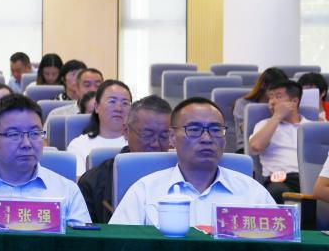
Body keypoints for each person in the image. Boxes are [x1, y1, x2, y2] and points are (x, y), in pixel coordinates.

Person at [110, 97, 275, 227]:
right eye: (194, 130)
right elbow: (117, 249)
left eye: (216, 130)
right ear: (172, 137)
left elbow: (276, 248)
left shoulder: (253, 194)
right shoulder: (145, 191)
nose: (206, 139)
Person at [0, 94, 90, 223]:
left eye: (35, 133)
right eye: (14, 135)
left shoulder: (67, 191)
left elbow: (81, 241)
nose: (26, 144)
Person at [77, 96, 173, 223]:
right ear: (126, 131)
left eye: (164, 136)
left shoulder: (184, 175)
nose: (156, 144)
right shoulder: (93, 182)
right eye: (147, 134)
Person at [248, 79, 303, 203]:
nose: (272, 102)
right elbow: (255, 147)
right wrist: (277, 116)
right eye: (270, 98)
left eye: (278, 97)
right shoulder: (264, 125)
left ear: (294, 102)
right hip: (282, 180)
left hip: (312, 179)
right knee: (276, 192)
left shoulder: (312, 126)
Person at [66, 79, 132, 178]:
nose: (119, 108)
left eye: (125, 103)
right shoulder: (79, 145)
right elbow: (79, 182)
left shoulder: (139, 143)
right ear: (96, 107)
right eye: (112, 101)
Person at [232, 67, 288, 152]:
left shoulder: (282, 105)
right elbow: (246, 130)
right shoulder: (243, 104)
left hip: (276, 146)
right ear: (263, 85)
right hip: (246, 148)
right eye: (275, 88)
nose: (278, 92)